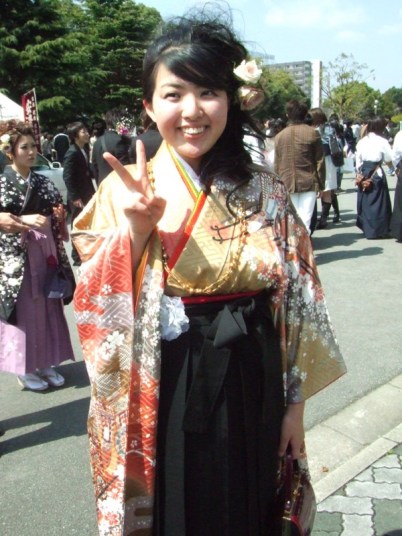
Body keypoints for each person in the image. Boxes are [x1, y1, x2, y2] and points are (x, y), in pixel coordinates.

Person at [72, 9, 346, 535]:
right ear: (149, 106)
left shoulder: (265, 190)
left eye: (208, 92)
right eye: (173, 94)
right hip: (169, 372)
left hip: (254, 364)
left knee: (250, 496)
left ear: (231, 99)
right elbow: (93, 298)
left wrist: (295, 408)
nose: (192, 110)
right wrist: (135, 234)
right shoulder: (124, 189)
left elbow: (300, 299)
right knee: (180, 502)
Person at [0, 120, 75, 391]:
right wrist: (22, 220)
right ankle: (24, 367)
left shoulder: (42, 181)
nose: (31, 151)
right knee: (24, 311)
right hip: (14, 257)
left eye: (33, 146)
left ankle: (46, 361)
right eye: (24, 147)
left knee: (47, 307)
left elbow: (58, 208)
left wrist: (58, 216)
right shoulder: (2, 182)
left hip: (45, 253)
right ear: (10, 151)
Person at [274, 99, 324, 233]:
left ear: (287, 115)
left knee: (290, 219)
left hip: (286, 181)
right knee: (305, 219)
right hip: (309, 181)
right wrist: (320, 184)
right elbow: (319, 160)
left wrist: (276, 185)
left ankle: (292, 245)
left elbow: (277, 163)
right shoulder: (313, 133)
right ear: (305, 114)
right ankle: (304, 245)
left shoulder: (279, 136)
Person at [355, 116, 394, 239]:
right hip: (376, 172)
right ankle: (379, 229)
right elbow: (389, 158)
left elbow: (357, 159)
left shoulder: (362, 141)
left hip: (363, 171)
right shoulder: (382, 141)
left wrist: (358, 173)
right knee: (379, 202)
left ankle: (367, 228)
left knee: (365, 201)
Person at [63, 121, 95, 265]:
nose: (87, 134)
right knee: (77, 224)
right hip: (78, 197)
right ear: (75, 136)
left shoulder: (83, 149)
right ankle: (76, 256)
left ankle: (84, 251)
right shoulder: (72, 152)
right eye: (83, 132)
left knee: (85, 222)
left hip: (86, 193)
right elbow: (67, 176)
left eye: (86, 131)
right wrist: (75, 197)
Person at [309, 107, 341, 227]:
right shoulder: (330, 128)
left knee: (323, 189)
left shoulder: (316, 130)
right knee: (327, 190)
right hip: (329, 161)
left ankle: (322, 219)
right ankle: (324, 218)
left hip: (321, 160)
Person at [91, 109, 131, 185]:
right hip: (118, 184)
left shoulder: (97, 143)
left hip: (103, 185)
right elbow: (126, 167)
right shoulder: (120, 140)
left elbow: (94, 168)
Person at [391, 129, 402, 242]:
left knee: (400, 200)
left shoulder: (400, 134)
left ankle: (399, 231)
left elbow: (395, 155)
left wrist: (397, 167)